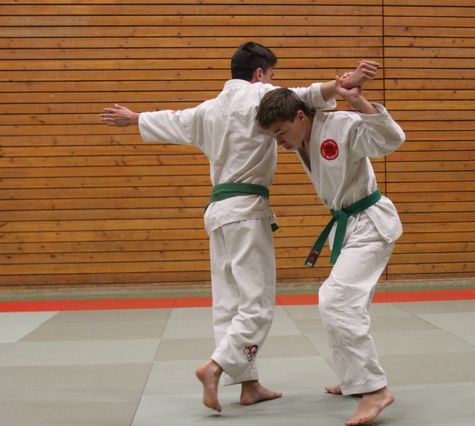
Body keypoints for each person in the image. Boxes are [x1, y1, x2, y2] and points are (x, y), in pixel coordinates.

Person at [99, 41, 379, 413]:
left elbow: (171, 119)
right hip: (246, 212)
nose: (274, 83)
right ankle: (217, 366)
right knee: (257, 304)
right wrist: (342, 83)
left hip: (217, 213)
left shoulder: (208, 109)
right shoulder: (261, 97)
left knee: (228, 303)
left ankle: (249, 385)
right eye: (272, 76)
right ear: (260, 73)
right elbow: (306, 96)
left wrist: (135, 118)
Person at [256, 79, 405, 425]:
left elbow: (391, 139)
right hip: (348, 225)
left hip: (370, 223)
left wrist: (358, 101)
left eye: (281, 133)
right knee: (349, 305)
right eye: (273, 136)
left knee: (336, 300)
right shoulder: (303, 135)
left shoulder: (340, 125)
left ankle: (375, 390)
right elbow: (298, 95)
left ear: (300, 117)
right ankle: (355, 379)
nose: (279, 142)